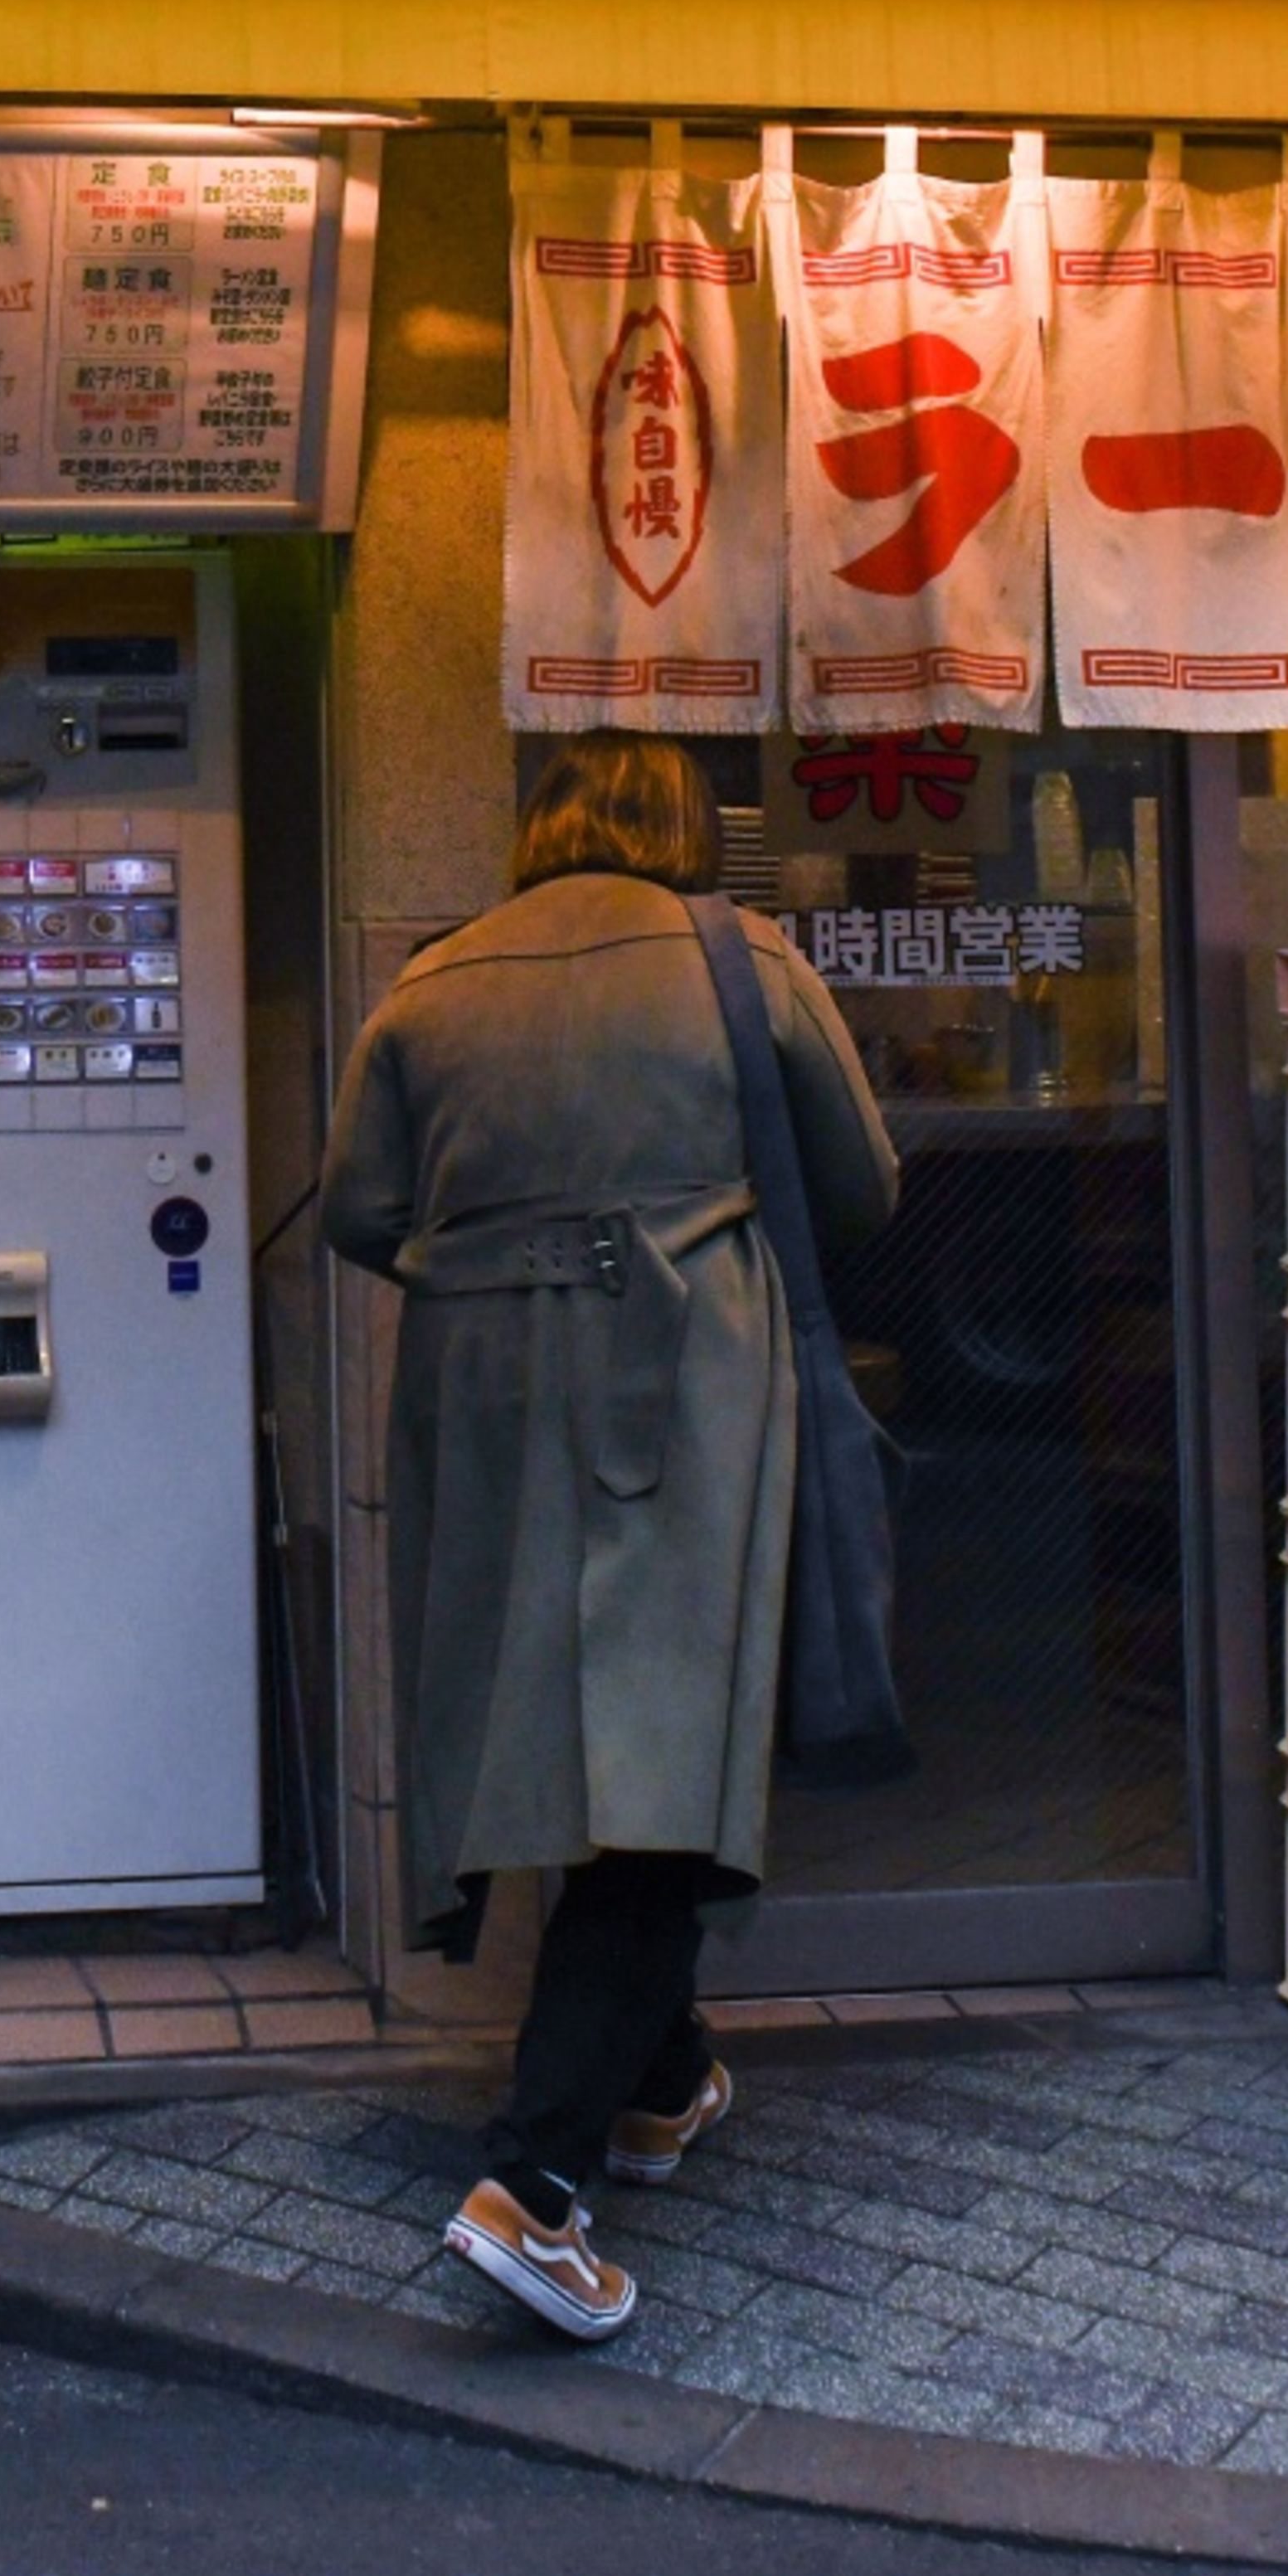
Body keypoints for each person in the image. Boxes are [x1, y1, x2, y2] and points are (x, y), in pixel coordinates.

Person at [329, 733, 901, 2348]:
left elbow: (362, 1205)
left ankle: (661, 2081)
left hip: (485, 1396)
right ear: (678, 823)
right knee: (658, 1780)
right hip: (682, 1393)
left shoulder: (437, 980)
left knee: (552, 1738)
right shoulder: (738, 958)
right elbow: (857, 1180)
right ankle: (532, 2185)